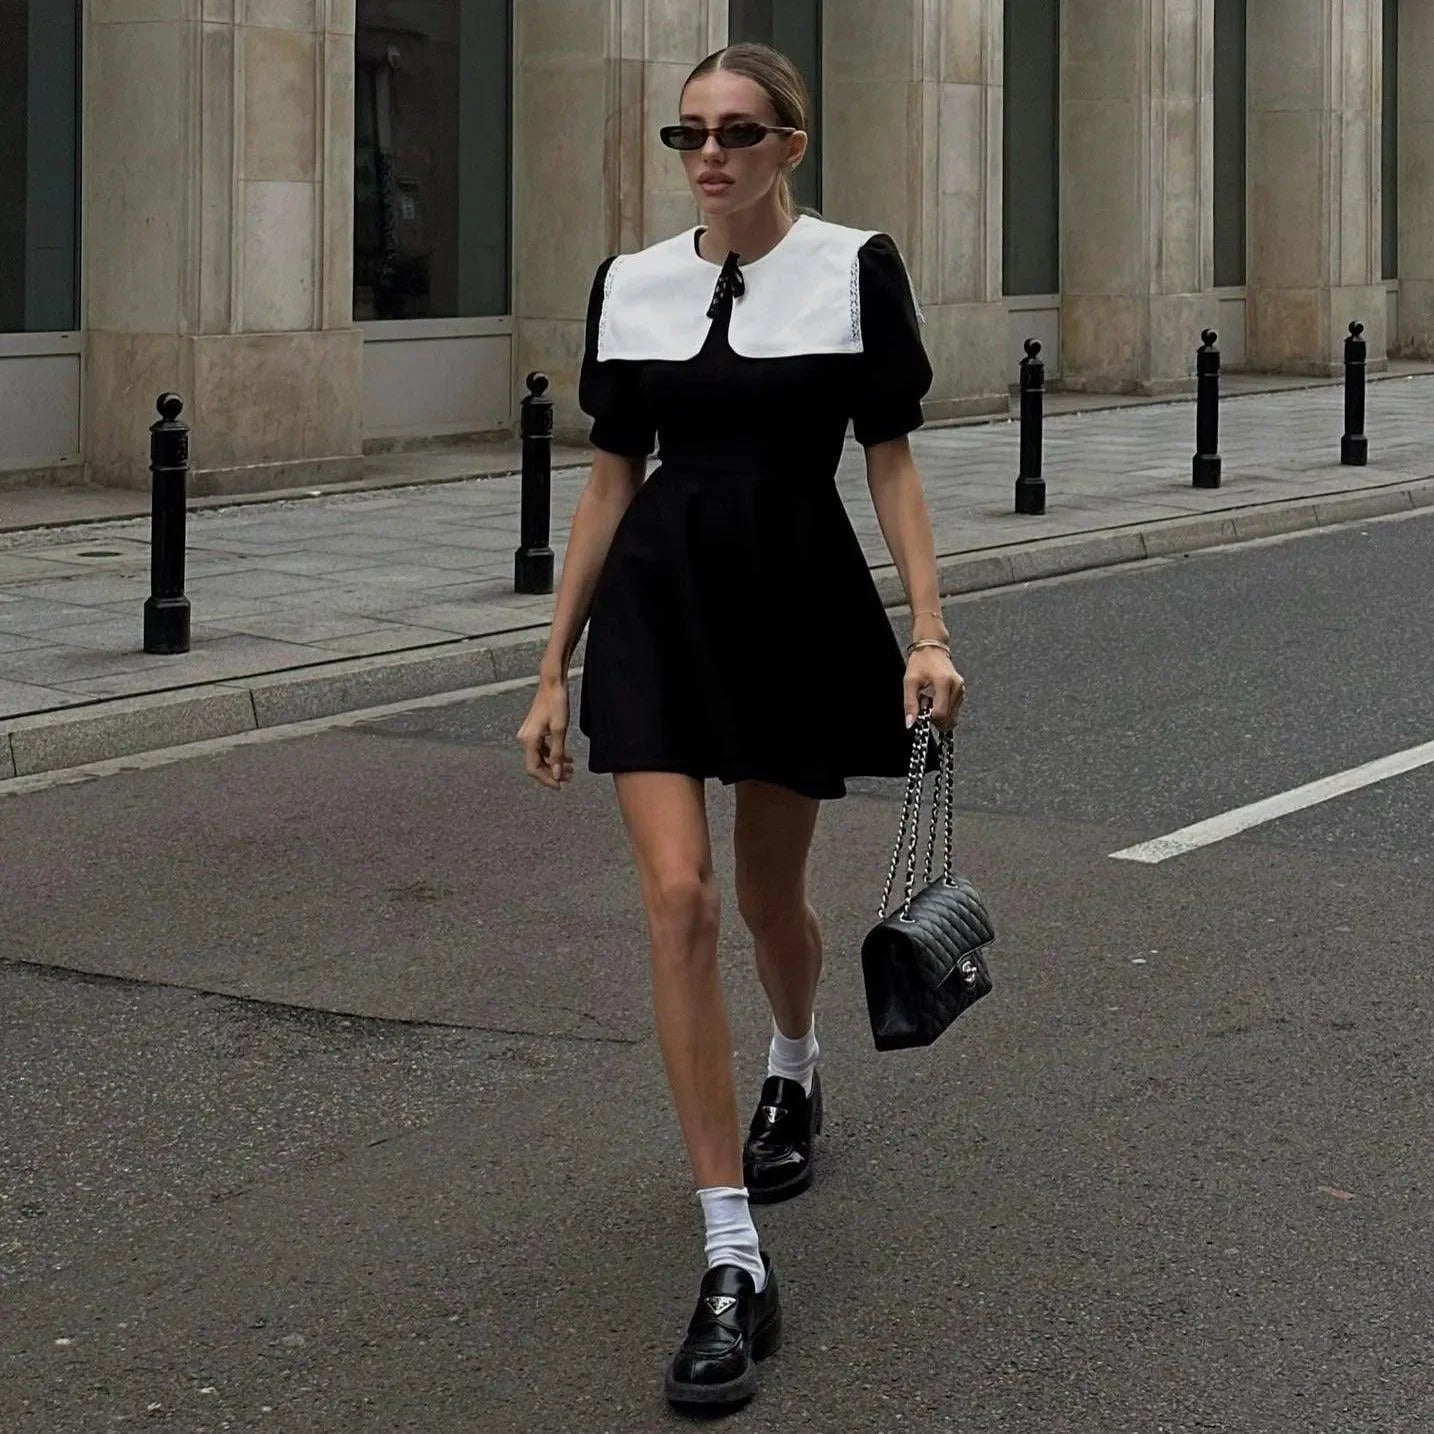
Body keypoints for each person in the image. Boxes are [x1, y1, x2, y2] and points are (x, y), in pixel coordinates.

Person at [516, 41, 964, 1411]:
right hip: (656, 604)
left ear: (789, 143)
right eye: (689, 133)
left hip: (790, 603)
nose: (708, 153)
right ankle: (729, 1253)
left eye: (736, 131)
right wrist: (550, 668)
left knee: (771, 898)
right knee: (680, 899)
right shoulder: (631, 286)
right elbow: (604, 483)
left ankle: (795, 1063)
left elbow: (885, 452)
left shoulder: (851, 268)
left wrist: (929, 631)